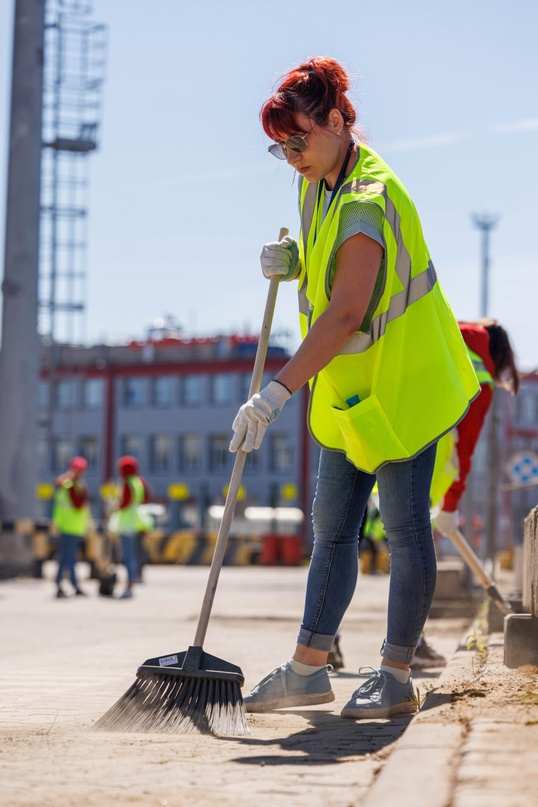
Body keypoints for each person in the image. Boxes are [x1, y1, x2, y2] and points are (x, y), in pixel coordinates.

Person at [229, 56, 480, 720]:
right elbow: (326, 272)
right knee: (333, 531)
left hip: (402, 387)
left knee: (404, 531)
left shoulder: (370, 199)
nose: (292, 157)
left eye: (300, 140)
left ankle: (396, 674)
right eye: (280, 147)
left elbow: (345, 314)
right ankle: (308, 669)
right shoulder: (318, 182)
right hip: (349, 395)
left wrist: (275, 393)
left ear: (338, 121)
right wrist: (292, 261)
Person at [411, 318, 520, 668]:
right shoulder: (482, 378)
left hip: (374, 432)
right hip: (422, 464)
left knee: (342, 542)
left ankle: (324, 645)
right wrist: (451, 504)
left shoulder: (442, 327)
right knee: (412, 557)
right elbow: (465, 449)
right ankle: (410, 643)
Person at [52, 456, 90, 598]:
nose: (81, 473)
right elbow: (78, 504)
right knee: (67, 558)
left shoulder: (73, 484)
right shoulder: (70, 486)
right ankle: (67, 585)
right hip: (67, 527)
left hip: (73, 527)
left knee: (67, 558)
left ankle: (67, 585)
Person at [115, 455, 151, 599]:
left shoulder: (127, 483)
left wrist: (115, 506)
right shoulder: (138, 482)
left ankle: (129, 585)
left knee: (128, 556)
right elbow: (146, 498)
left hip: (126, 524)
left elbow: (124, 503)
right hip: (135, 523)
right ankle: (134, 579)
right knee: (134, 555)